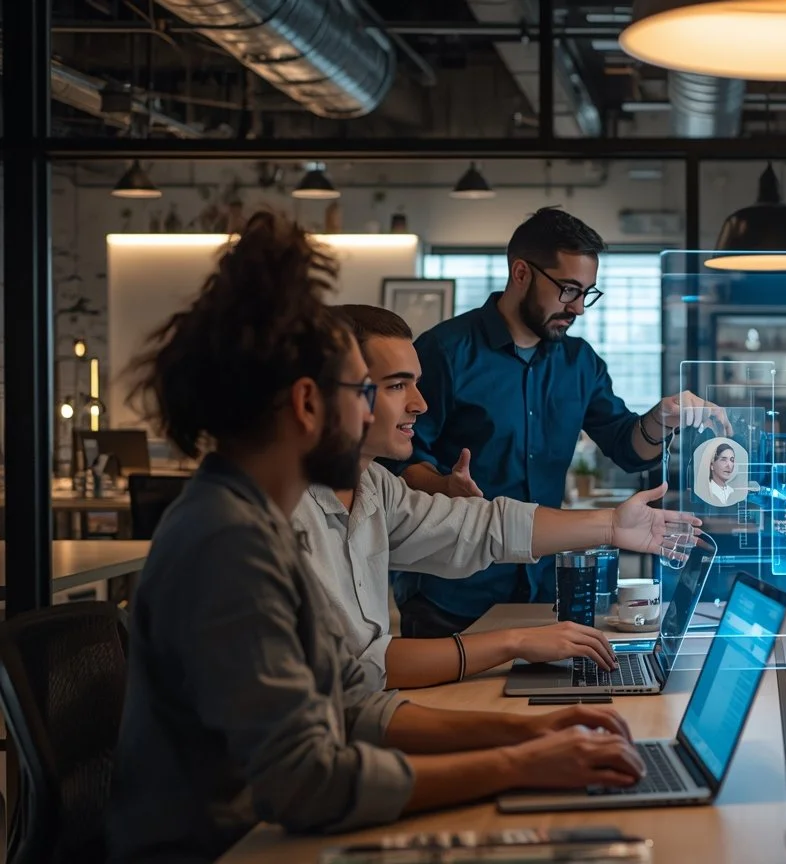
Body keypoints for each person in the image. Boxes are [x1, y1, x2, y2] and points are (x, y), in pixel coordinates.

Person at [107, 214, 643, 863]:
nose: (396, 411)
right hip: (231, 847)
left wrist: (528, 734)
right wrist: (517, 763)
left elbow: (355, 705)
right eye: (370, 391)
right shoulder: (230, 542)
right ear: (308, 405)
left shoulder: (261, 516)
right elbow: (311, 782)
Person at [294, 304, 702, 692]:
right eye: (397, 385)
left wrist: (612, 525)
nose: (420, 404)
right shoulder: (286, 515)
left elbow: (482, 526)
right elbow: (361, 670)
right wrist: (513, 643)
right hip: (443, 614)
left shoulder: (376, 487)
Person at [389, 207, 728, 636]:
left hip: (540, 589)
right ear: (521, 274)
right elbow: (400, 462)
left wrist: (661, 419)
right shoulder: (444, 351)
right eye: (568, 290)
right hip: (451, 592)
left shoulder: (579, 363)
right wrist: (443, 486)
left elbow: (627, 447)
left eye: (587, 292)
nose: (579, 308)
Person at [694, 439, 747, 508]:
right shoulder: (705, 491)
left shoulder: (732, 492)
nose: (729, 465)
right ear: (712, 465)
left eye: (732, 460)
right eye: (724, 460)